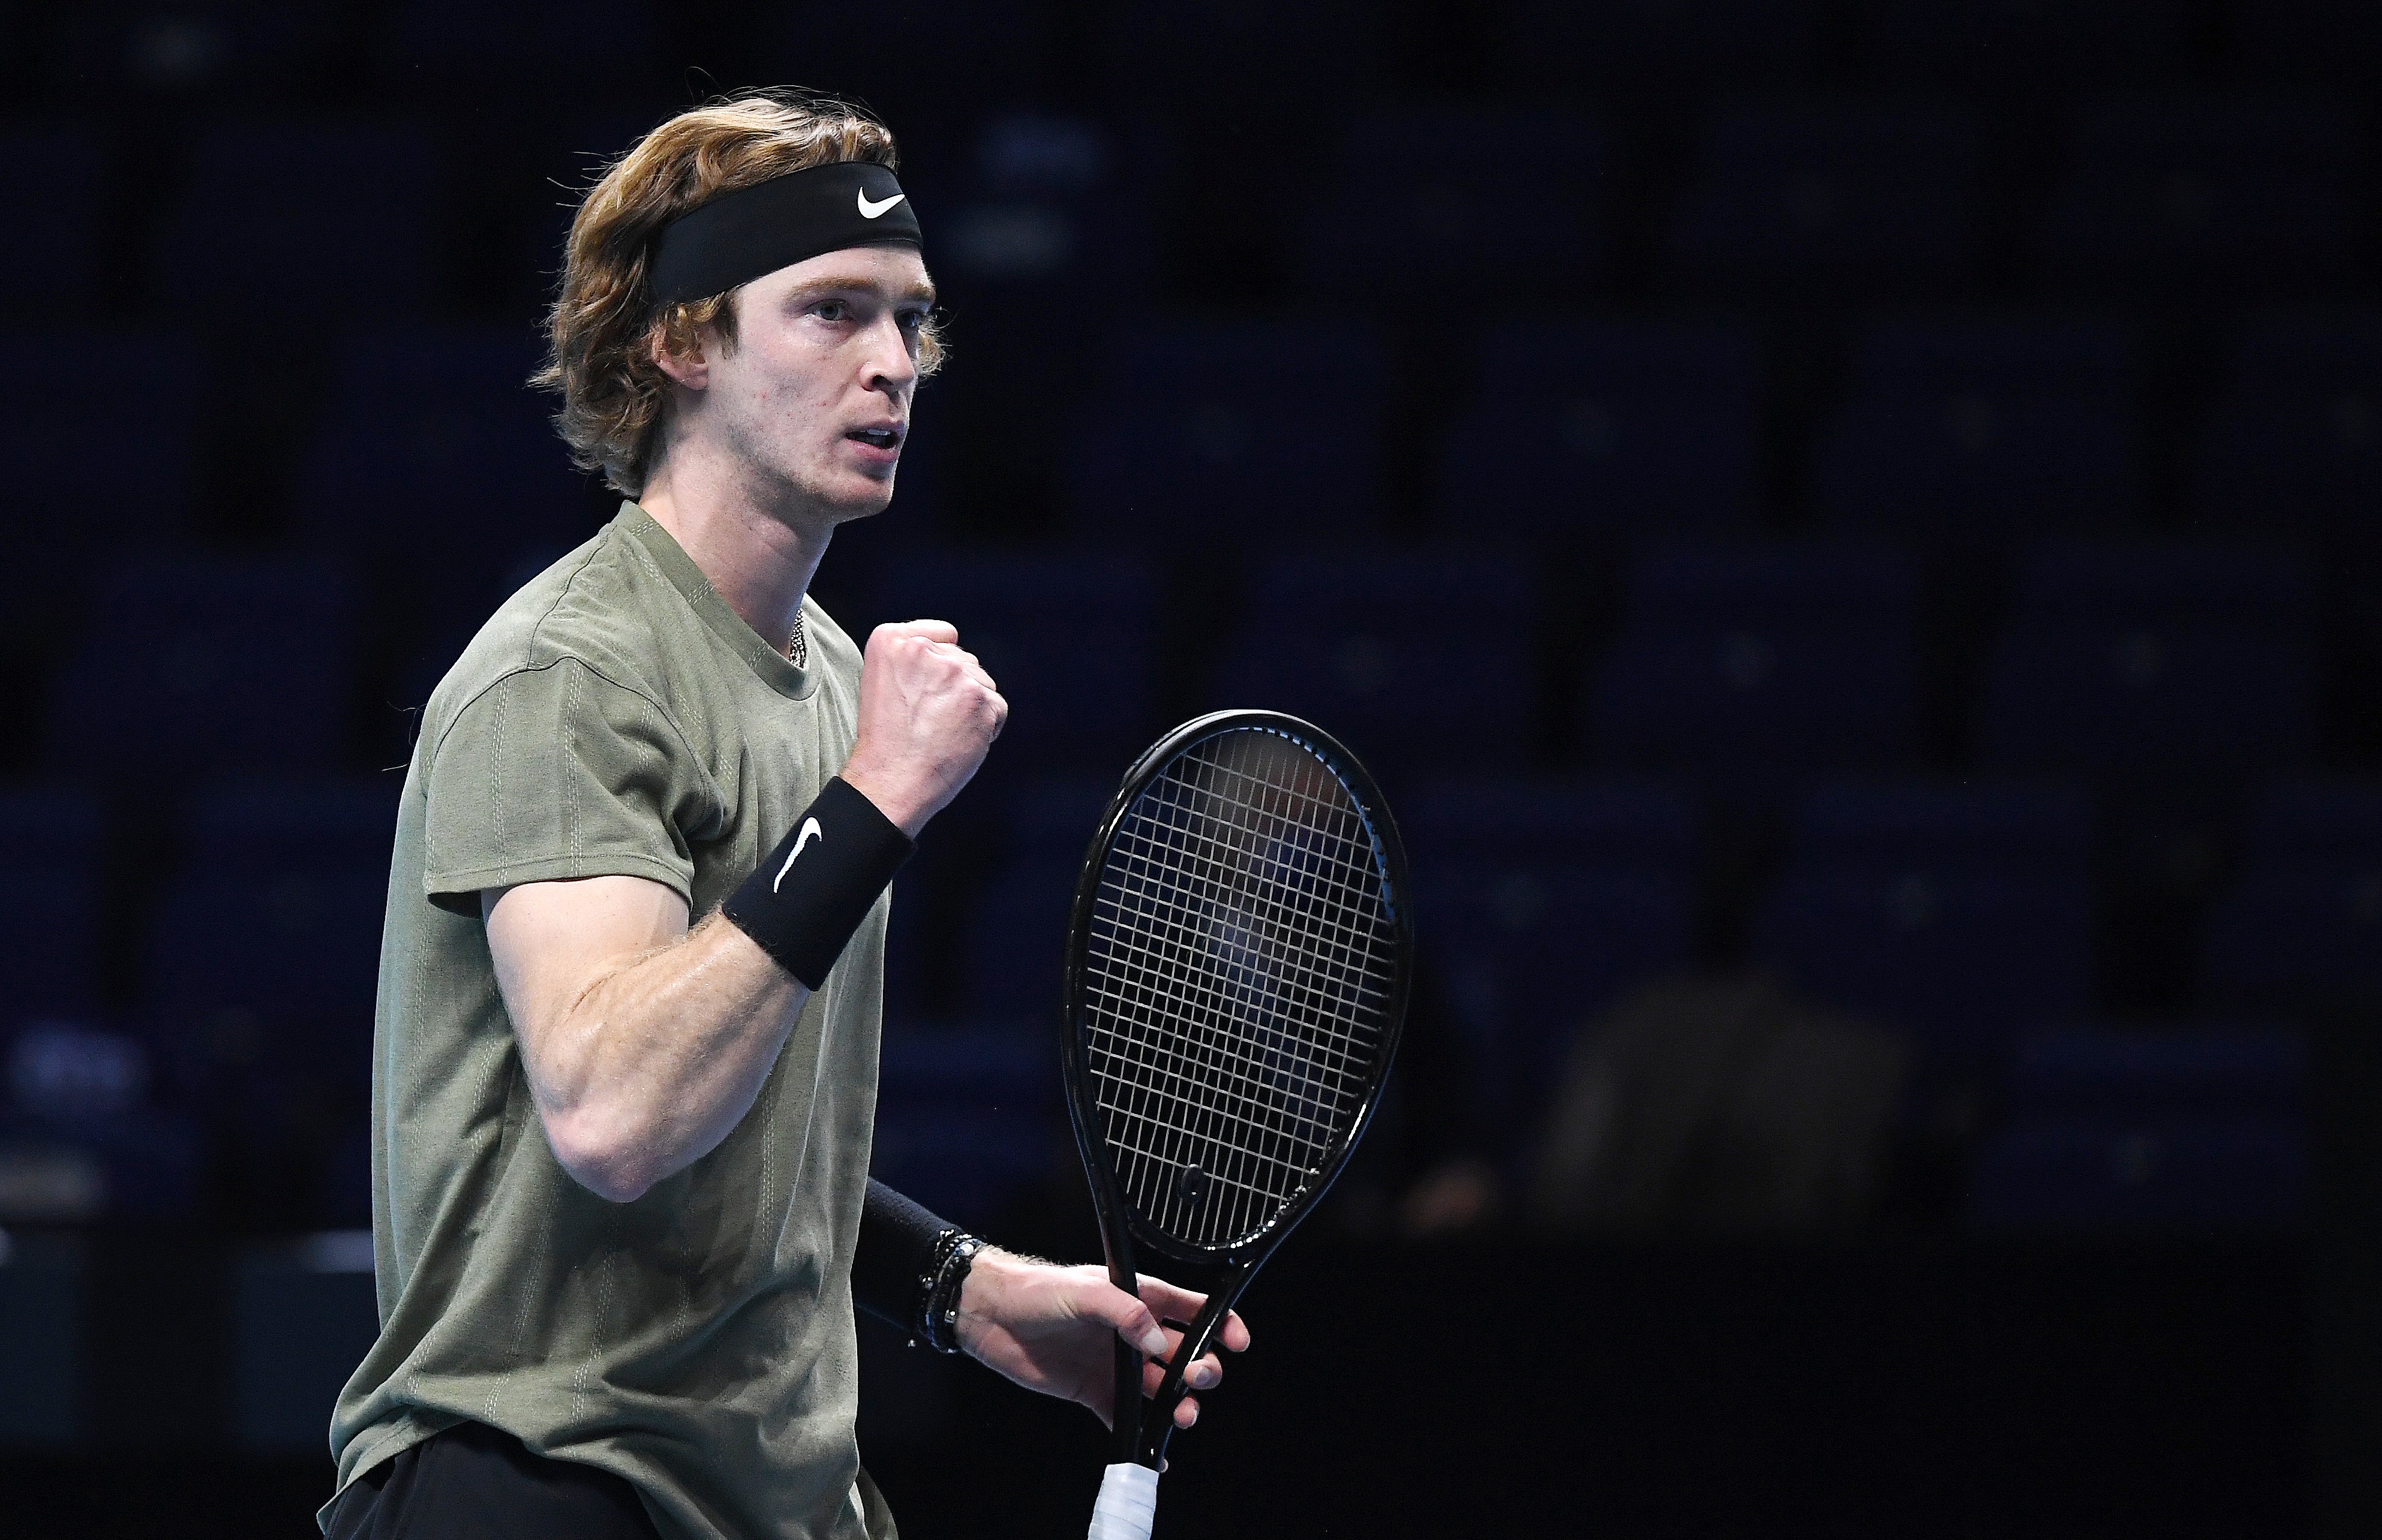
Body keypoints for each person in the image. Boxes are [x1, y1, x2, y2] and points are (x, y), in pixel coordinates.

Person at [323, 89, 1248, 1539]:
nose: (894, 364)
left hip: (781, 1501)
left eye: (910, 320)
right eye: (832, 312)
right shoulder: (571, 673)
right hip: (547, 1481)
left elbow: (739, 1135)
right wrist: (874, 802)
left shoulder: (829, 677)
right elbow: (618, 1112)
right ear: (682, 342)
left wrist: (966, 1287)